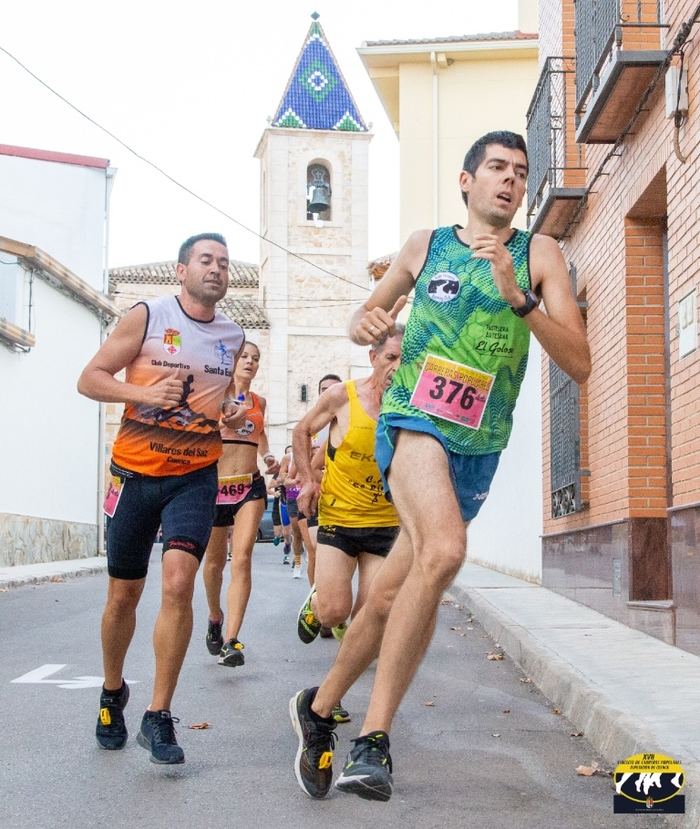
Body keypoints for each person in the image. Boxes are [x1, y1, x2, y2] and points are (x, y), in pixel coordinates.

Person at [289, 130, 591, 801]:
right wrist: (364, 322)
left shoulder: (540, 255)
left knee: (396, 590)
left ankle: (317, 707)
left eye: (519, 171)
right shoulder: (427, 246)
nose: (509, 181)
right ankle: (373, 739)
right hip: (412, 420)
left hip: (478, 448)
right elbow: (367, 312)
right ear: (467, 180)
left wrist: (520, 297)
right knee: (447, 549)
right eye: (496, 168)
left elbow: (580, 361)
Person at [78, 232, 248, 765]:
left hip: (195, 476)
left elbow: (215, 404)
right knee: (122, 596)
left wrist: (229, 415)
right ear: (181, 270)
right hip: (134, 475)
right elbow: (90, 379)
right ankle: (112, 693)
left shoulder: (233, 333)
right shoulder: (147, 316)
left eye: (223, 262)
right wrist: (143, 393)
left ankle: (158, 715)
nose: (216, 269)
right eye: (206, 260)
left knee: (179, 581)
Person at [289, 332, 403, 743]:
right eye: (390, 356)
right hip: (338, 520)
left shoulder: (408, 406)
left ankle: (330, 694)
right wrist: (306, 479)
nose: (396, 365)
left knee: (372, 615)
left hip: (386, 525)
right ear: (373, 357)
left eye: (404, 359)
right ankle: (317, 601)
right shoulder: (343, 397)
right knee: (334, 613)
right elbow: (302, 431)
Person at [201, 341, 278, 666]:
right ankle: (215, 616)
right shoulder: (214, 398)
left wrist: (269, 456)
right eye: (244, 357)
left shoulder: (259, 401)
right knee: (215, 564)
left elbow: (259, 437)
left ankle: (232, 640)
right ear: (231, 362)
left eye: (255, 358)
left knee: (242, 558)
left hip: (250, 486)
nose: (250, 362)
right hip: (215, 487)